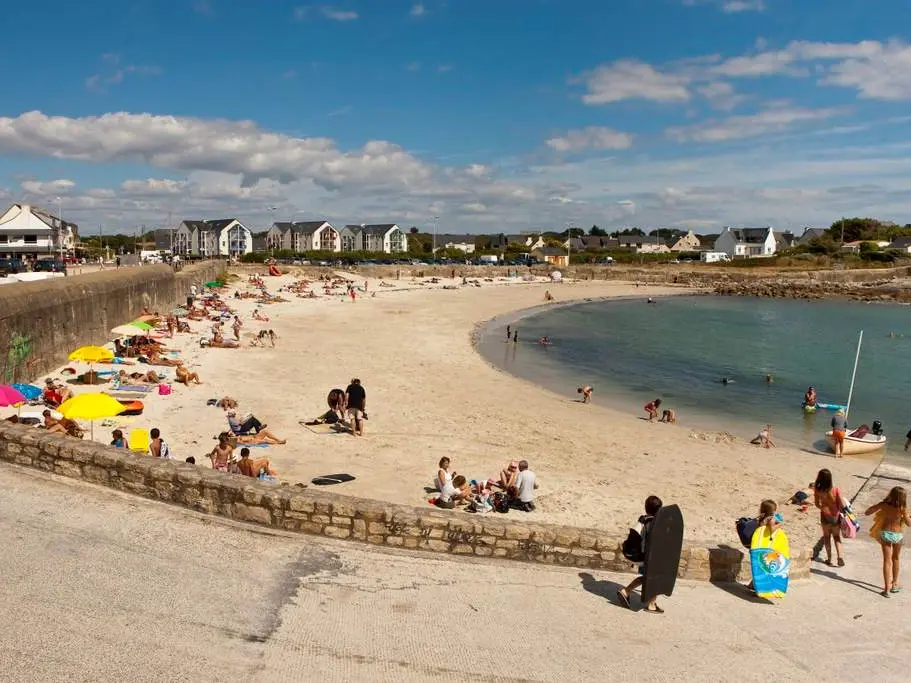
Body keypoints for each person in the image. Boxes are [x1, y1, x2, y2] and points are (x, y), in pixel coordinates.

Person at [617, 495, 664, 614]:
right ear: (659, 510)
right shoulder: (654, 523)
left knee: (647, 578)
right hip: (647, 556)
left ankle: (627, 592)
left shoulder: (643, 519)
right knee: (654, 578)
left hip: (639, 554)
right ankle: (651, 604)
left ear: (646, 507)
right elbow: (653, 543)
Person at [865, 486, 911, 596]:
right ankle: (894, 584)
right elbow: (909, 523)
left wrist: (875, 507)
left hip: (885, 533)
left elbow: (868, 512)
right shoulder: (902, 508)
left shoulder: (884, 505)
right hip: (898, 535)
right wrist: (908, 516)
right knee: (896, 558)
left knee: (887, 560)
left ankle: (886, 589)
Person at [813, 468, 845, 567]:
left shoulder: (818, 490)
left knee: (826, 537)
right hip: (835, 516)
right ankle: (840, 557)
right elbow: (842, 504)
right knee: (836, 537)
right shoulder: (835, 490)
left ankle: (829, 559)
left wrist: (823, 508)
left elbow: (817, 504)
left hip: (825, 515)